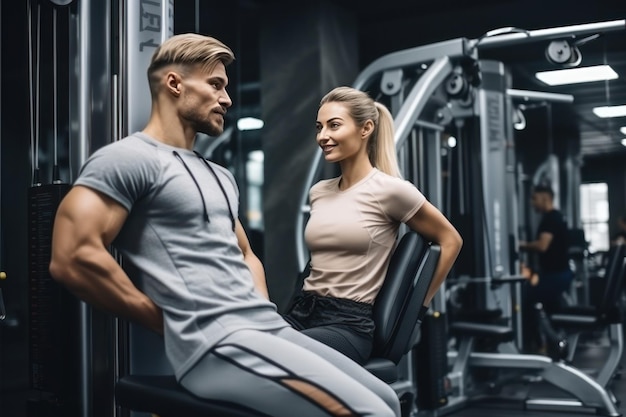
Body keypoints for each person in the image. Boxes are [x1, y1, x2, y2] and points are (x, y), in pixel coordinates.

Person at [49, 34, 401, 417]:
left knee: (388, 400)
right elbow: (72, 256)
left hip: (266, 329)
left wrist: (262, 310)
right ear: (175, 83)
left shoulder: (219, 175)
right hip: (217, 344)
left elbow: (246, 254)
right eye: (216, 85)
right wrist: (167, 322)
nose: (227, 99)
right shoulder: (128, 159)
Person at [284, 87, 463, 365]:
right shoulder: (319, 191)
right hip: (301, 312)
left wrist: (417, 310)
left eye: (334, 126)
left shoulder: (391, 191)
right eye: (319, 127)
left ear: (366, 128)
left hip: (347, 325)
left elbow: (450, 240)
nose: (322, 136)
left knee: (284, 354)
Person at [519, 184, 574, 353]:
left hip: (557, 275)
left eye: (534, 198)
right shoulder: (556, 217)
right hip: (559, 274)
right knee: (552, 310)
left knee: (527, 299)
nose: (532, 203)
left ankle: (535, 347)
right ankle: (555, 348)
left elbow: (542, 246)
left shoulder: (551, 218)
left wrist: (520, 245)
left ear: (545, 197)